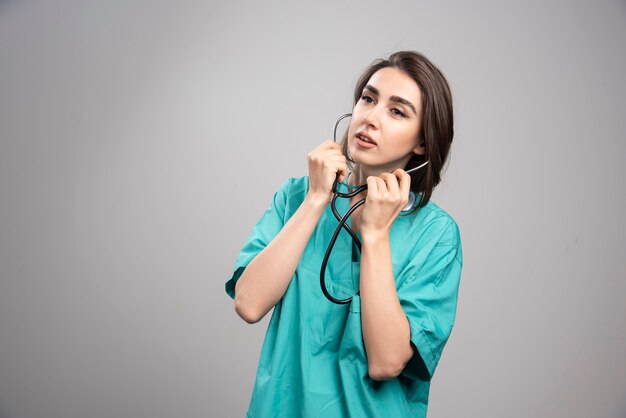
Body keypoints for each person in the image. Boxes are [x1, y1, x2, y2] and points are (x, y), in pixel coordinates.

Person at [225, 50, 463, 417]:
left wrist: (376, 236)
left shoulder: (436, 235)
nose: (370, 117)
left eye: (397, 111)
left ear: (423, 144)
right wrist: (316, 199)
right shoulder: (295, 197)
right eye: (368, 98)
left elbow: (386, 362)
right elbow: (249, 303)